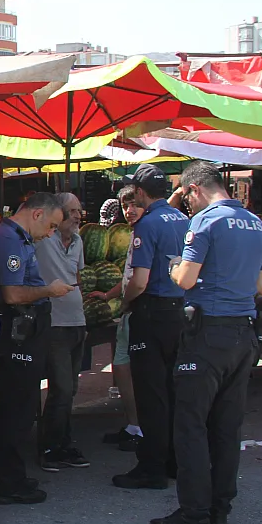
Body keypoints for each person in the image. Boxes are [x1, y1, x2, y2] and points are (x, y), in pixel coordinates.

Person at [153, 162, 262, 524]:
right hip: (244, 334)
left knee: (190, 425)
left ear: (194, 190)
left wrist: (174, 268)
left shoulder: (205, 222)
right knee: (225, 427)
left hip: (207, 336)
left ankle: (193, 515)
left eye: (185, 197)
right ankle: (220, 510)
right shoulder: (257, 224)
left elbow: (185, 278)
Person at [0, 192, 72, 505]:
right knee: (17, 407)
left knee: (11, 405)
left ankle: (5, 474)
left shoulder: (10, 234)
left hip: (19, 330)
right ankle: (9, 482)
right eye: (51, 225)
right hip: (16, 331)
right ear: (36, 214)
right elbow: (13, 294)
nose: (51, 233)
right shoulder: (9, 238)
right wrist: (50, 289)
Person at [114, 164, 190, 491]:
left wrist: (125, 301)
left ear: (141, 193)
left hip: (152, 313)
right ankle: (175, 460)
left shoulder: (148, 223)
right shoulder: (185, 220)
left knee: (151, 393)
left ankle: (151, 467)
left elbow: (140, 281)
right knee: (174, 391)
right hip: (180, 312)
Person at [35, 193, 90, 471]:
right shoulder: (44, 239)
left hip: (76, 322)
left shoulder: (79, 241)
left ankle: (63, 442)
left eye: (80, 211)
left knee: (72, 389)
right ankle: (49, 446)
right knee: (62, 388)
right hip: (54, 324)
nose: (78, 216)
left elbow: (77, 279)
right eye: (72, 211)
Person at [94, 186, 144, 452]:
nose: (129, 211)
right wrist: (107, 294)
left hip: (141, 313)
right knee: (122, 366)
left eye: (135, 204)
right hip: (130, 311)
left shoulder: (147, 232)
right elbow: (129, 279)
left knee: (134, 369)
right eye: (125, 206)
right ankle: (134, 426)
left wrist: (124, 303)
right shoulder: (136, 232)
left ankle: (142, 428)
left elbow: (139, 282)